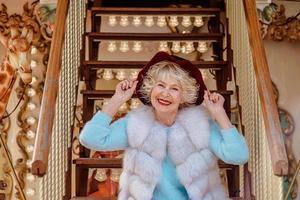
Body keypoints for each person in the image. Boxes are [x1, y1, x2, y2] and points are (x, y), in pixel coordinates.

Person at [80, 51, 249, 200]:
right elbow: (90, 139)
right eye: (160, 85)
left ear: (184, 96)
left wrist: (219, 113)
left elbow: (238, 156)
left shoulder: (200, 127)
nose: (165, 93)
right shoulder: (136, 124)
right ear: (150, 89)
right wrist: (117, 100)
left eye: (175, 89)